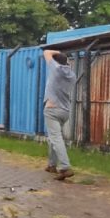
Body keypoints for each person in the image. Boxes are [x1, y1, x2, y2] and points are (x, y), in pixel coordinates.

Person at [42, 49, 77, 180]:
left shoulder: (56, 69)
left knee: (56, 138)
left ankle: (65, 167)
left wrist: (57, 52)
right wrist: (64, 57)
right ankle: (51, 165)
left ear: (56, 62)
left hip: (52, 109)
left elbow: (46, 52)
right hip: (65, 111)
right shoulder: (72, 75)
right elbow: (64, 63)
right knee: (54, 138)